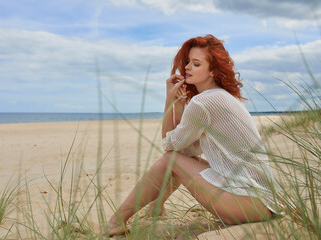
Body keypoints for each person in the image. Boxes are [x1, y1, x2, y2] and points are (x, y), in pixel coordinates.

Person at [106, 34, 283, 236]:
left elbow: (170, 147)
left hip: (245, 203)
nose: (188, 67)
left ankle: (116, 221)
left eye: (196, 63)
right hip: (262, 204)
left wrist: (169, 101)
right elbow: (186, 149)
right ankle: (156, 207)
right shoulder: (220, 97)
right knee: (183, 159)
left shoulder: (203, 102)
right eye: (188, 62)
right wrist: (179, 105)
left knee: (172, 159)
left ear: (213, 70)